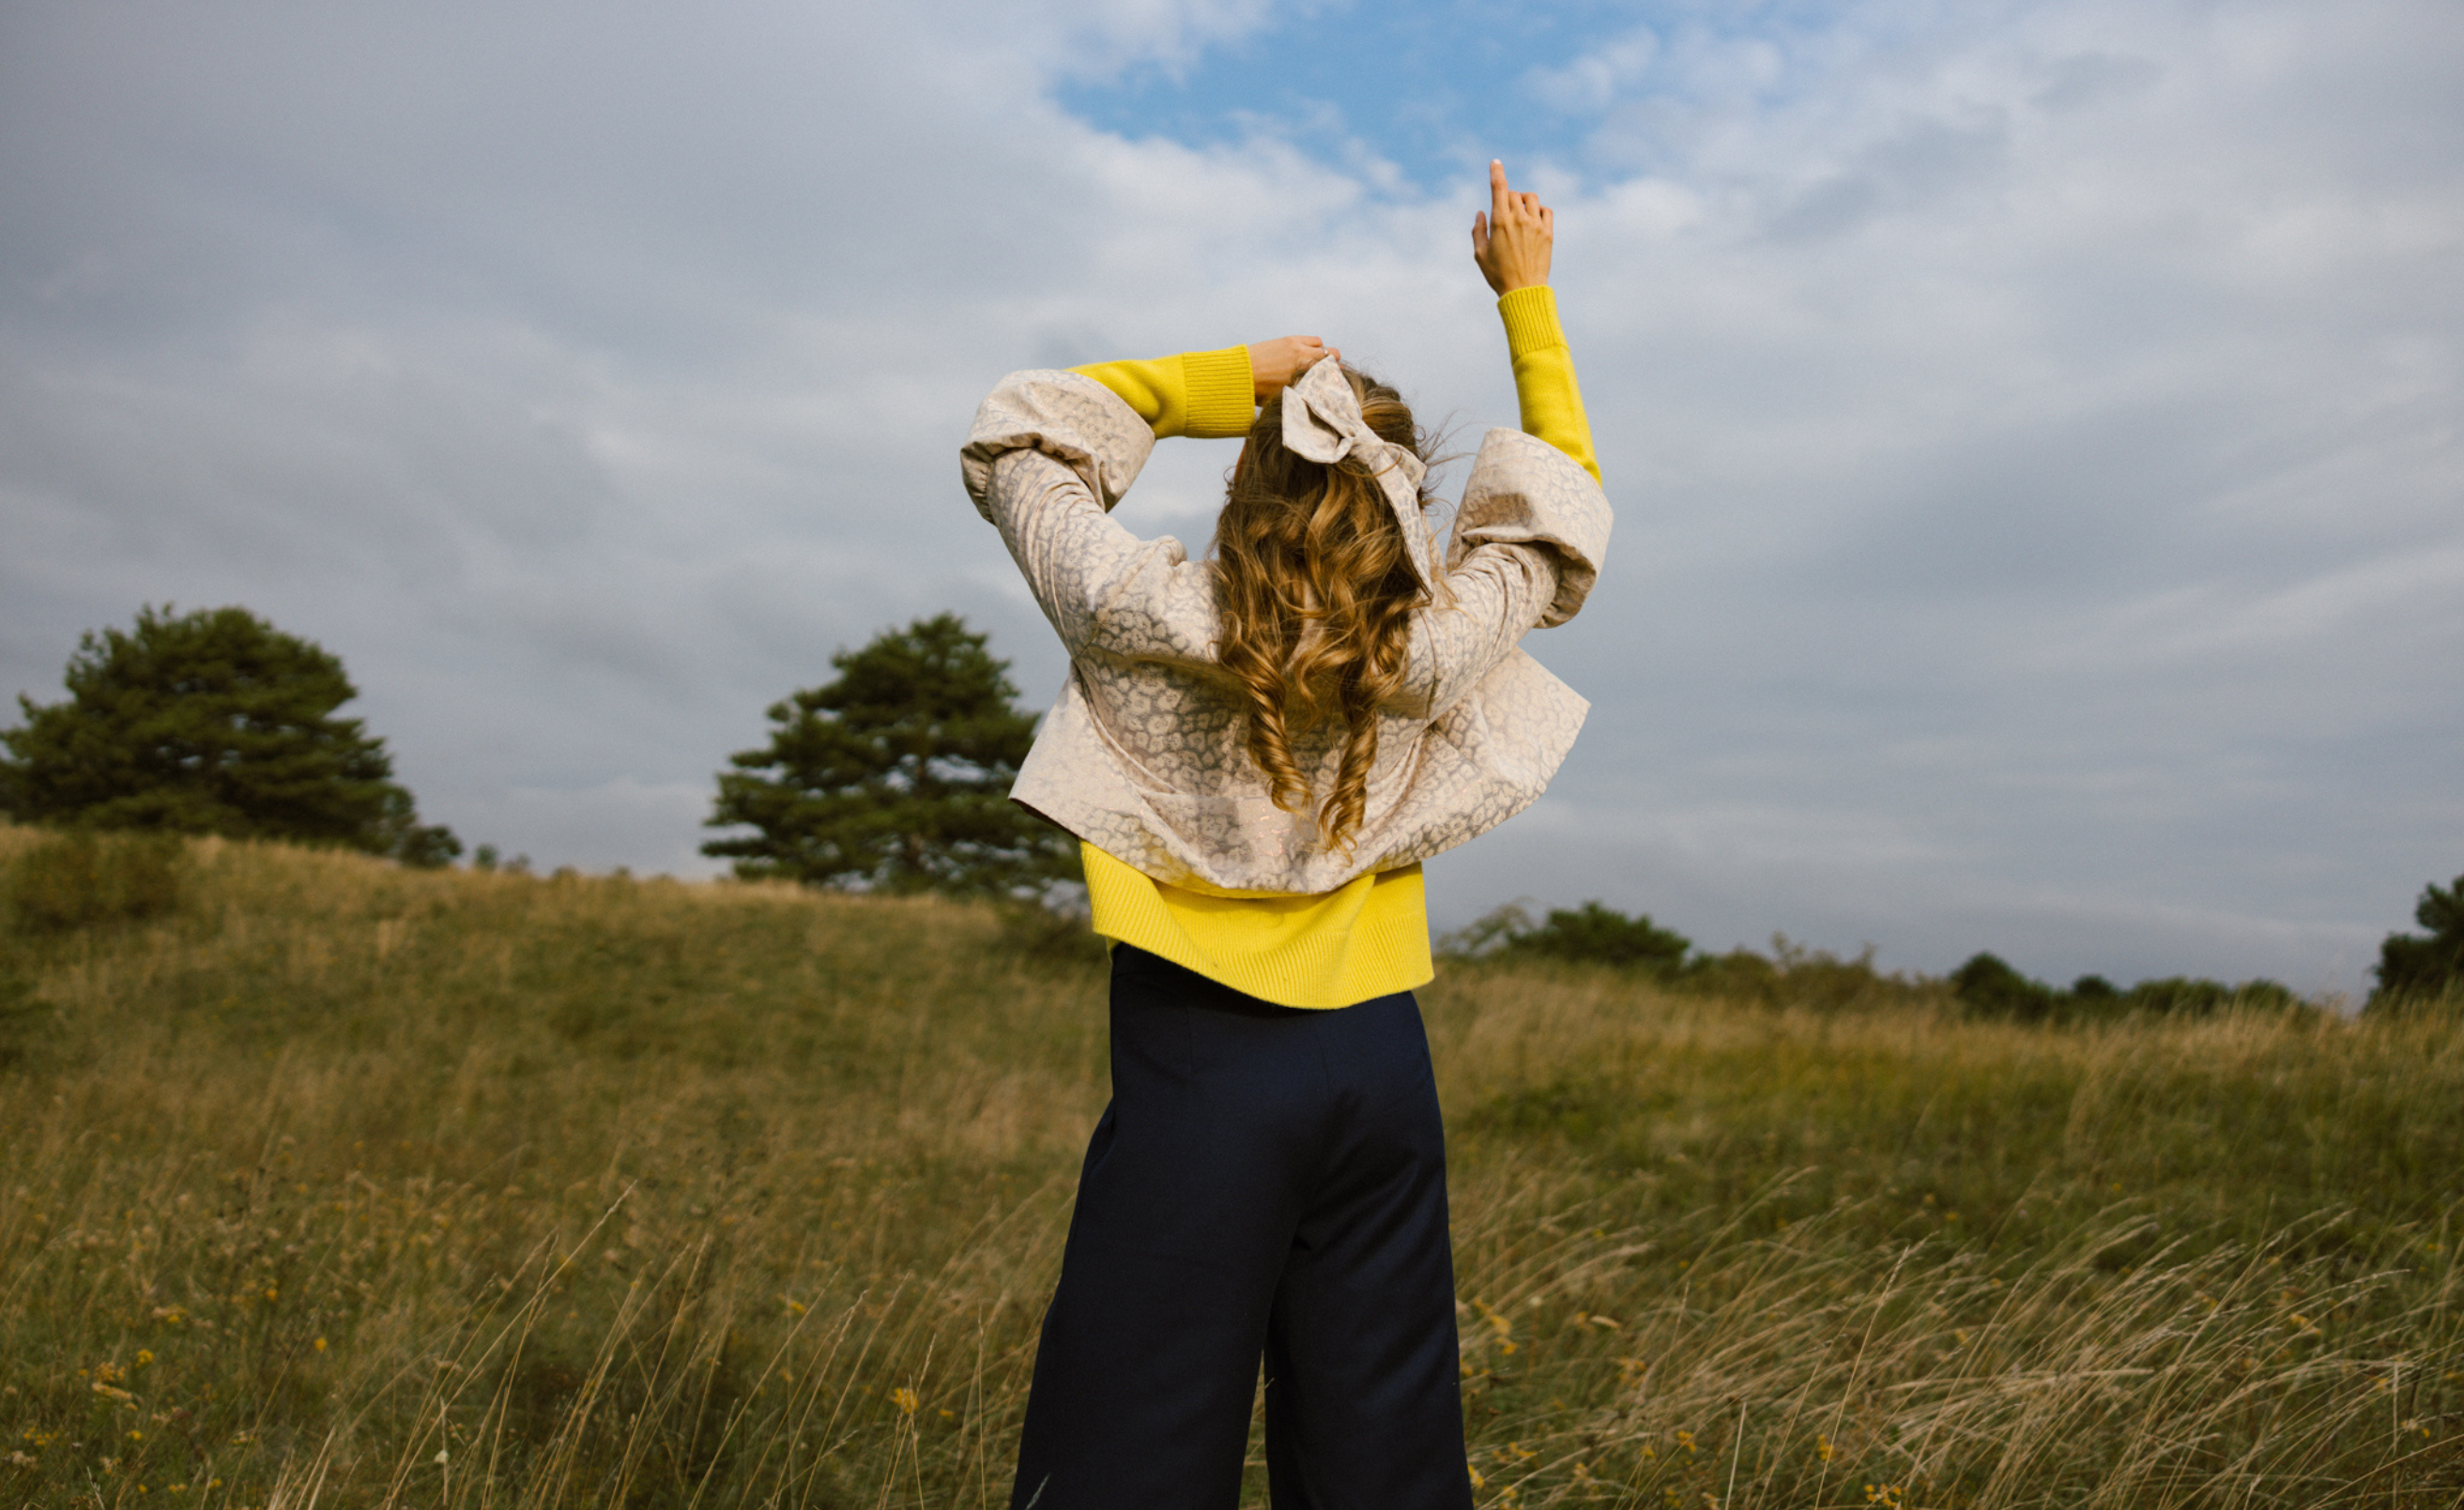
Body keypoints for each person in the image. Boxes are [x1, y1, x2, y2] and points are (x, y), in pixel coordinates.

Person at [959, 160, 1610, 1510]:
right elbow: (1559, 517)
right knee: (1386, 1464)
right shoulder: (1427, 652)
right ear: (1401, 510)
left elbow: (1022, 435)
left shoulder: (1144, 614)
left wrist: (1223, 380)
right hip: (1379, 1069)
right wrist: (1527, 299)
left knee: (1127, 1455)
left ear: (1245, 498)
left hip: (1200, 1066)